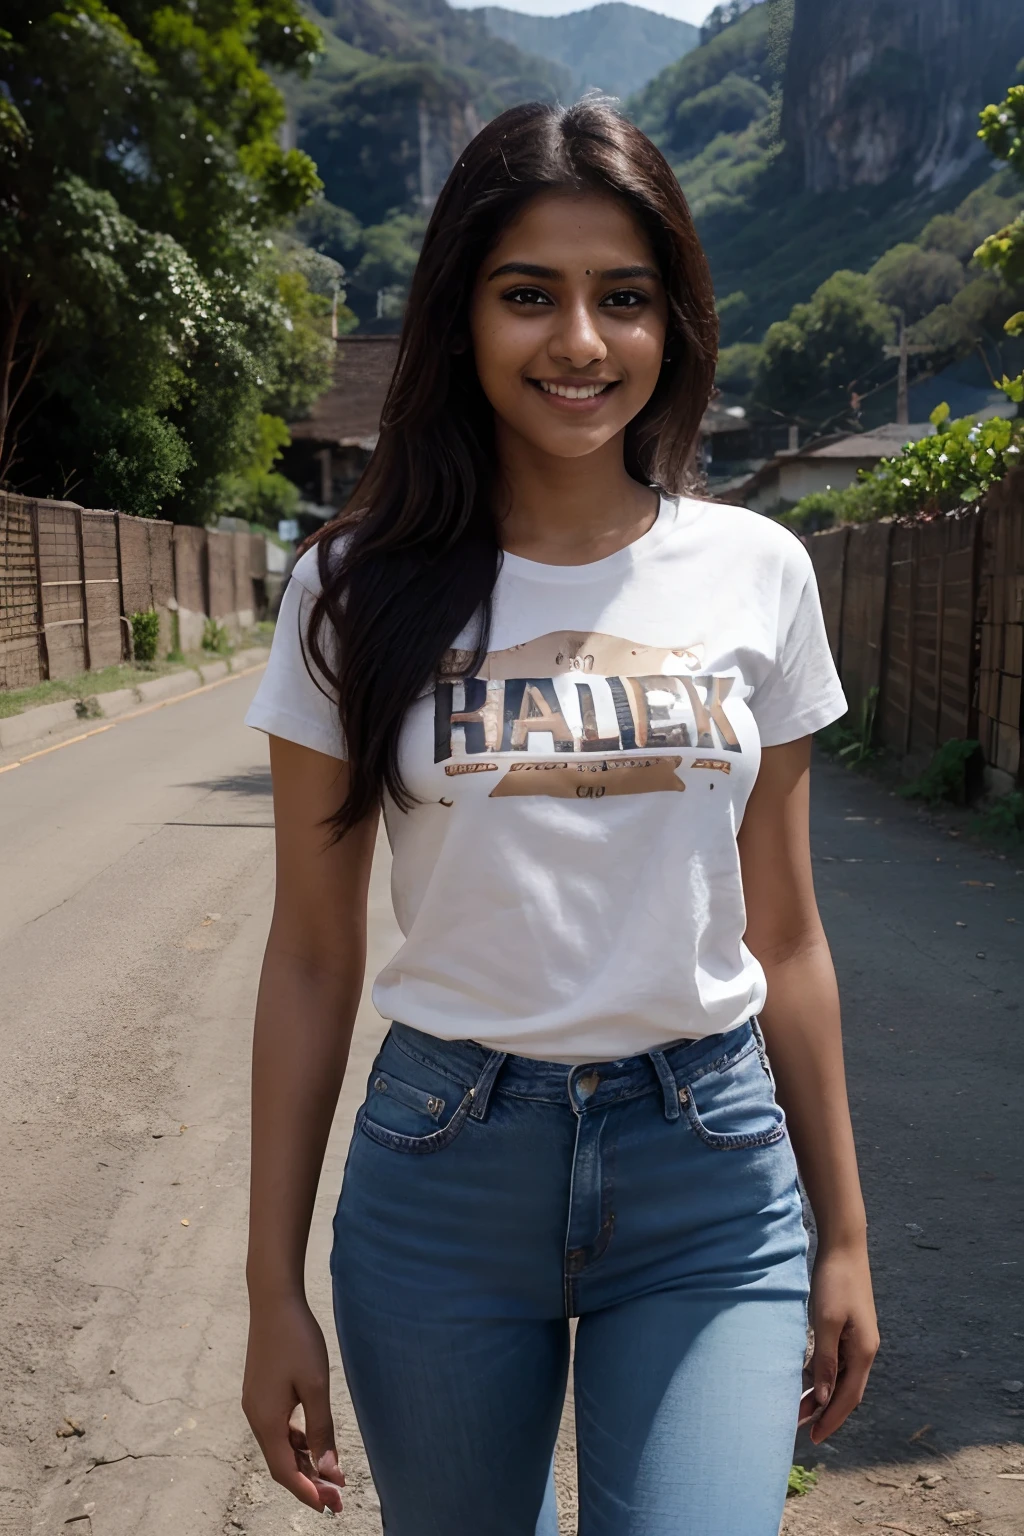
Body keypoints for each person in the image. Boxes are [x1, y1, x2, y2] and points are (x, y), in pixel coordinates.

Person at [240, 98, 879, 1535]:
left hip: (708, 1170)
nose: (580, 343)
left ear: (674, 323)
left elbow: (787, 933)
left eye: (624, 299)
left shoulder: (759, 572)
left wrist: (844, 1235)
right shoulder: (349, 593)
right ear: (462, 317)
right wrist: (268, 1282)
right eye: (529, 295)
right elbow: (309, 956)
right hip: (442, 1173)